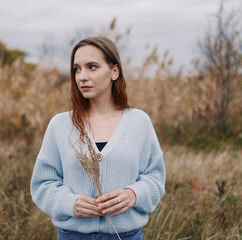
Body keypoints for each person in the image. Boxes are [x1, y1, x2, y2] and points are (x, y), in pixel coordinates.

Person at [30, 36, 166, 240]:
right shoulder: (60, 125)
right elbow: (42, 184)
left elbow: (155, 179)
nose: (81, 76)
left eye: (92, 67)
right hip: (73, 236)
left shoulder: (139, 122)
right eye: (77, 69)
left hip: (126, 236)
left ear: (114, 71)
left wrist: (134, 194)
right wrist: (70, 203)